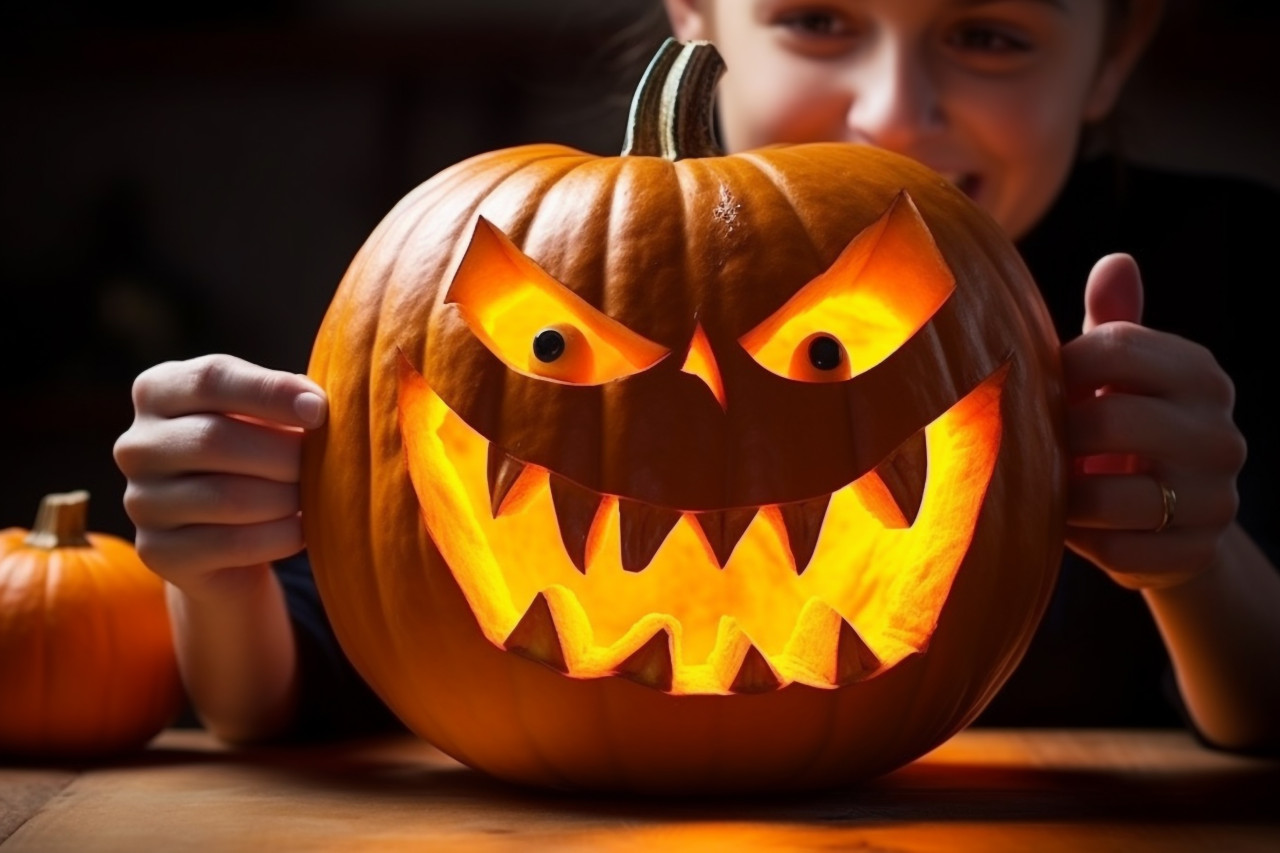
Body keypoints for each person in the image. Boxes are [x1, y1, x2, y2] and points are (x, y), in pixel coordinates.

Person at [113, 0, 1280, 751]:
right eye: (819, 21)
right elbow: (285, 693)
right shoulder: (495, 255)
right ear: (699, 18)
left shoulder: (1232, 277)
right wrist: (217, 566)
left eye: (988, 36)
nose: (891, 112)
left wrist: (1194, 557)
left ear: (1108, 55)